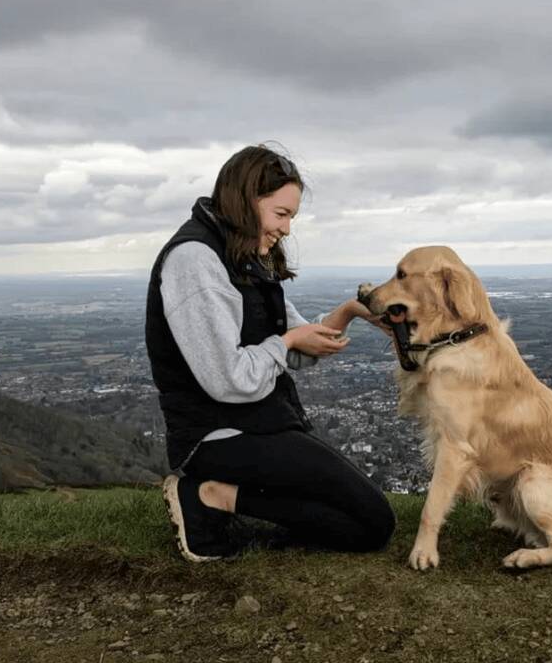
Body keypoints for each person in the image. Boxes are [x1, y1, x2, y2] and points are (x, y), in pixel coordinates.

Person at [144, 144, 395, 561]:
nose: (287, 229)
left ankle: (227, 497)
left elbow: (295, 338)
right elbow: (230, 380)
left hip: (264, 424)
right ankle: (209, 497)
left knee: (365, 517)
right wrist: (288, 343)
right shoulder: (195, 260)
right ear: (245, 201)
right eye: (282, 215)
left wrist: (351, 312)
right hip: (215, 436)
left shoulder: (243, 257)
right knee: (373, 522)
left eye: (291, 217)